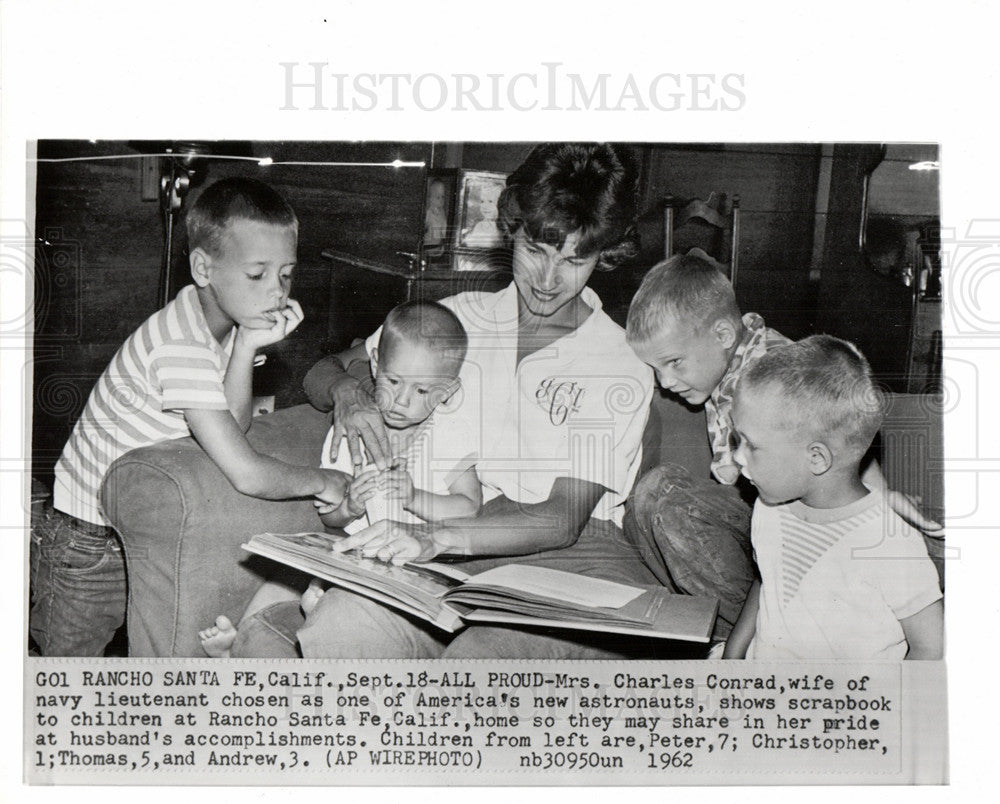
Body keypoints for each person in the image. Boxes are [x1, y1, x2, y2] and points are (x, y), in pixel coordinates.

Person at [233, 142, 660, 660]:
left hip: (573, 554)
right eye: (537, 251)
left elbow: (561, 518)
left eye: (576, 259)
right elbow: (326, 369)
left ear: (605, 254)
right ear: (512, 231)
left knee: (480, 657)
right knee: (340, 628)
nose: (549, 281)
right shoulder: (459, 318)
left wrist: (436, 538)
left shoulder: (616, 360)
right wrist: (350, 395)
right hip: (459, 535)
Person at [30, 177, 350, 656]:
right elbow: (246, 472)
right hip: (85, 540)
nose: (277, 292)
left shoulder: (218, 329)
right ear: (203, 268)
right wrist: (324, 481)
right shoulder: (179, 342)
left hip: (133, 527)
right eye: (257, 274)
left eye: (286, 274)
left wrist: (244, 348)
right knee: (57, 673)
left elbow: (233, 425)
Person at [623, 251, 943, 643]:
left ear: (723, 335)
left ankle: (756, 632)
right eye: (656, 369)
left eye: (674, 362)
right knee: (649, 496)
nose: (665, 381)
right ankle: (728, 629)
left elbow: (836, 431)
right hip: (765, 512)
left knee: (664, 497)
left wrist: (880, 497)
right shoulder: (720, 360)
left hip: (799, 513)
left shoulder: (770, 367)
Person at [198, 300, 481, 657]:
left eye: (422, 391)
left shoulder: (451, 434)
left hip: (417, 564)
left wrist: (415, 498)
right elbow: (329, 516)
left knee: (340, 604)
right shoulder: (355, 428)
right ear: (375, 365)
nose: (401, 400)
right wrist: (348, 507)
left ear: (448, 391)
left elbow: (469, 508)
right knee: (280, 579)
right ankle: (237, 647)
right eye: (393, 381)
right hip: (351, 552)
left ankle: (320, 613)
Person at [722, 336, 943, 659]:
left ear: (816, 458)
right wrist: (733, 654)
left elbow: (931, 646)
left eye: (751, 445)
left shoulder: (886, 542)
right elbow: (766, 581)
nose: (738, 457)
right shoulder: (769, 508)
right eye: (736, 438)